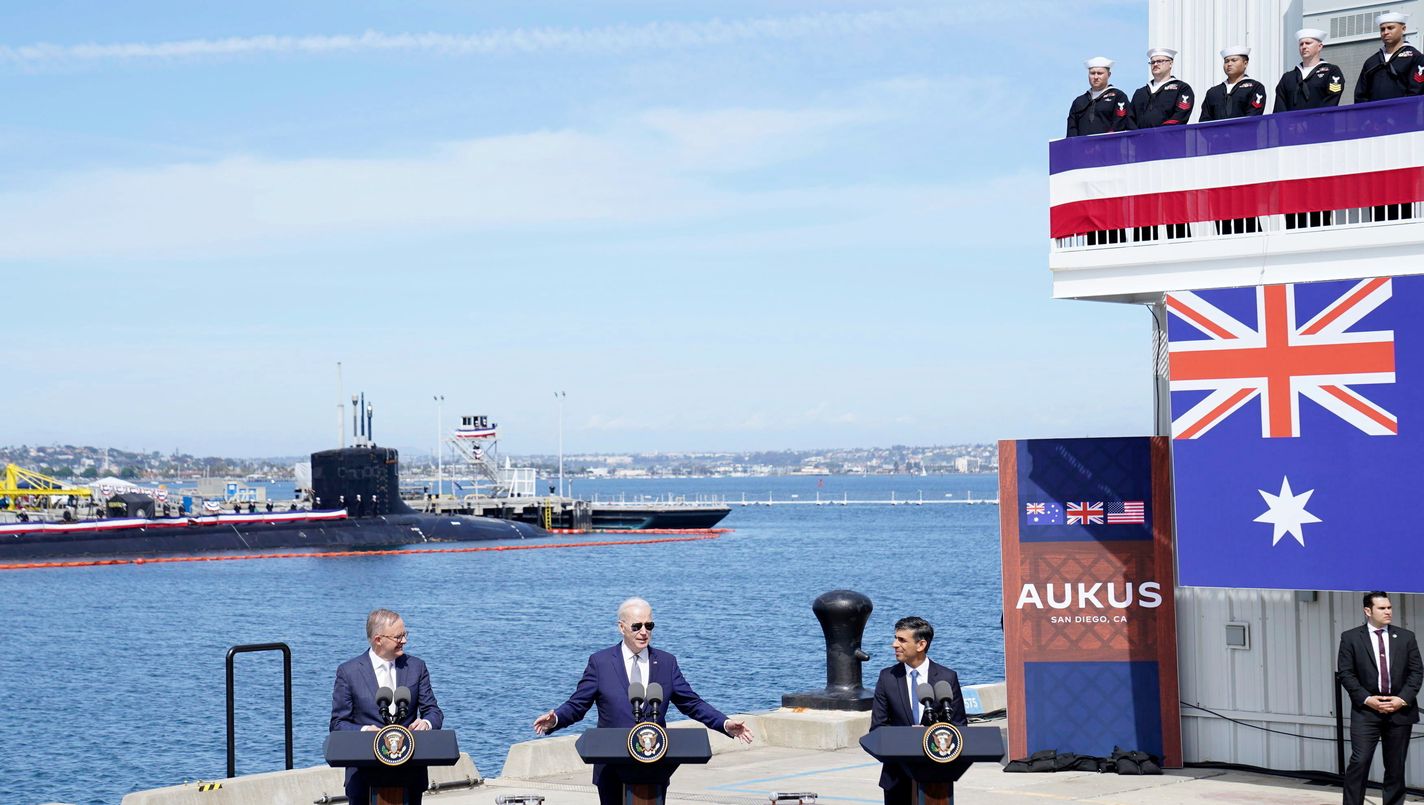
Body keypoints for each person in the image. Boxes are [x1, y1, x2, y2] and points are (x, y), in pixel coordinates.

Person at [532, 597, 753, 804]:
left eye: (649, 626)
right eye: (637, 626)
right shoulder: (600, 663)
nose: (644, 632)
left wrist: (725, 723)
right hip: (612, 768)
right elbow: (578, 704)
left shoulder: (666, 663)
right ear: (622, 627)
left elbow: (692, 703)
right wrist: (556, 719)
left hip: (654, 766)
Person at [331, 609, 444, 805]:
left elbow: (433, 712)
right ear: (378, 639)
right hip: (364, 778)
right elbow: (338, 724)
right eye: (398, 636)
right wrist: (366, 731)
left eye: (405, 634)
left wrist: (426, 723)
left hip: (409, 775)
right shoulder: (349, 672)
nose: (404, 641)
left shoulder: (416, 667)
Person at [870, 616, 967, 805]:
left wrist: (931, 737)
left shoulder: (947, 678)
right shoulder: (887, 678)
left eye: (902, 640)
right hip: (897, 777)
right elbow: (878, 728)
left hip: (937, 778)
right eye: (895, 638)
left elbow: (959, 726)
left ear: (921, 645)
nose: (894, 644)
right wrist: (909, 737)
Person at [1337, 591, 1421, 805]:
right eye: (1382, 608)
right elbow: (1346, 673)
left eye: (1389, 607)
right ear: (1368, 611)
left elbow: (1416, 672)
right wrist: (1367, 699)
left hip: (1399, 711)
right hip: (1366, 712)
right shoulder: (1351, 638)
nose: (1388, 612)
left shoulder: (1406, 637)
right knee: (1360, 761)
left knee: (1395, 766)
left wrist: (1401, 699)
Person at [1355, 12, 1424, 104]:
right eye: (1382, 29)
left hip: (1404, 115)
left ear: (1403, 29)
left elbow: (1416, 91)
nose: (1386, 32)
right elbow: (1360, 94)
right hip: (1374, 116)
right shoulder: (1371, 62)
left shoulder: (1415, 58)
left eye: (1390, 28)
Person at [1274, 28, 1344, 113]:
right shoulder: (1288, 77)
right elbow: (1279, 107)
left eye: (1308, 43)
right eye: (1301, 44)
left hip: (1321, 125)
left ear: (1319, 46)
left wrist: (1313, 120)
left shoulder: (1331, 72)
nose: (1304, 47)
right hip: (1291, 125)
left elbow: (1331, 100)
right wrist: (1287, 125)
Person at [1066, 56, 1134, 137]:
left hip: (1109, 146)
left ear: (1109, 75)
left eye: (1100, 73)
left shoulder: (1118, 97)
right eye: (1092, 73)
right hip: (1083, 148)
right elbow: (1071, 130)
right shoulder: (1079, 102)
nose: (1095, 77)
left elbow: (1120, 124)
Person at [1199, 46, 1267, 121]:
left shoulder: (1255, 87)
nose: (1229, 64)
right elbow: (1205, 120)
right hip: (1217, 133)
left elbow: (1253, 116)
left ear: (1245, 63)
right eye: (1226, 61)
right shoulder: (1213, 92)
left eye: (1234, 60)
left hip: (1244, 132)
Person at [1131, 48, 1193, 127]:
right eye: (1152, 62)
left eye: (1160, 61)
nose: (1155, 64)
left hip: (1169, 137)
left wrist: (1161, 132)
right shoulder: (1140, 93)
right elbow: (1130, 118)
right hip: (1141, 138)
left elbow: (1180, 115)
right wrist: (1137, 136)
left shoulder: (1182, 89)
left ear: (1170, 63)